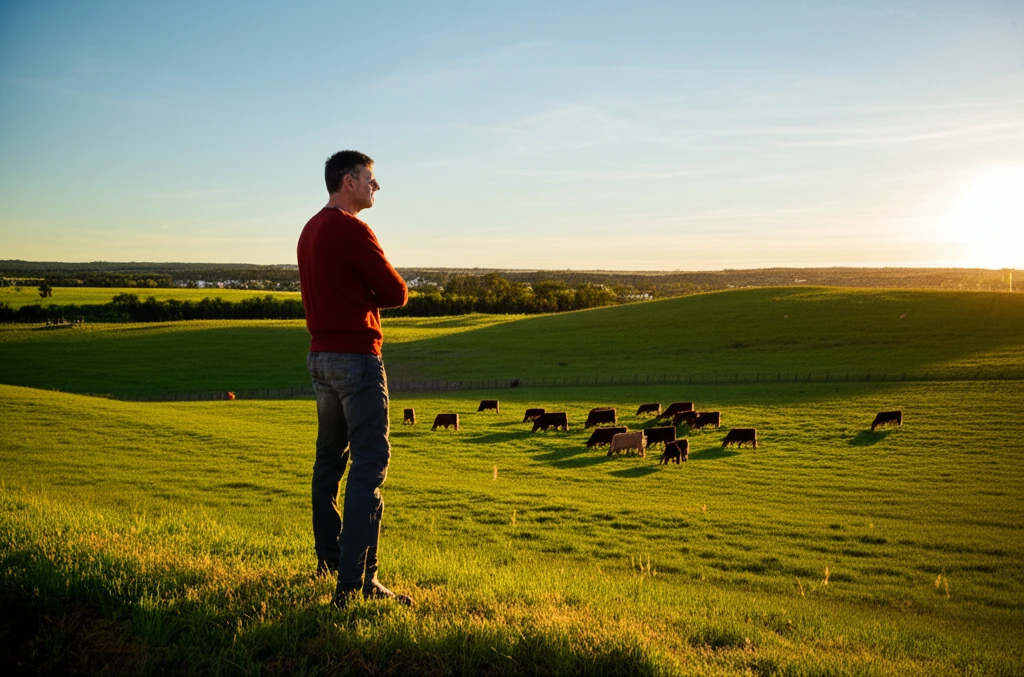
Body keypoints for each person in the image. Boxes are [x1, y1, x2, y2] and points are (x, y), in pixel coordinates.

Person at [297, 150, 411, 607]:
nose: (375, 187)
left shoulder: (310, 229)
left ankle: (328, 561)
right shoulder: (351, 228)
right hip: (356, 359)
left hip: (319, 358)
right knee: (369, 465)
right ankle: (357, 584)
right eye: (370, 179)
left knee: (329, 462)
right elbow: (395, 291)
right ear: (348, 182)